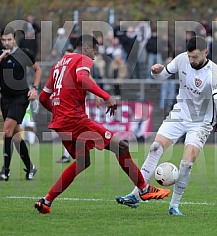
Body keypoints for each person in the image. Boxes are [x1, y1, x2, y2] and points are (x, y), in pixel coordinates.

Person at [34, 34, 170, 214]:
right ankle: (144, 189)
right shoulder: (82, 58)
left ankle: (46, 201)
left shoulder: (59, 64)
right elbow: (82, 79)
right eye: (94, 53)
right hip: (76, 120)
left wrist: (58, 113)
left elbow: (43, 97)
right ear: (87, 48)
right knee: (121, 146)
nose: (93, 58)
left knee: (82, 162)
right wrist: (106, 96)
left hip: (62, 123)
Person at [116, 36, 217, 216]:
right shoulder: (182, 59)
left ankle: (174, 206)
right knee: (154, 148)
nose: (191, 60)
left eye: (196, 57)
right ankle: (136, 194)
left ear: (206, 53)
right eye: (190, 56)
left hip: (201, 123)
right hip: (179, 114)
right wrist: (155, 72)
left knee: (186, 164)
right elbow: (161, 77)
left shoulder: (213, 72)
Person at [0, 26, 42, 181]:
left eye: (9, 39)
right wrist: (0, 57)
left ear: (14, 39)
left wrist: (35, 88)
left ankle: (5, 171)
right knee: (15, 135)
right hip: (5, 99)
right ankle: (30, 167)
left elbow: (38, 69)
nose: (6, 42)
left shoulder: (23, 54)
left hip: (21, 98)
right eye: (4, 40)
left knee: (6, 130)